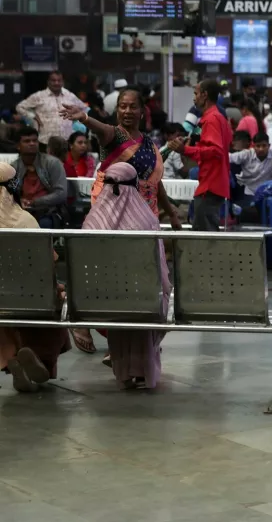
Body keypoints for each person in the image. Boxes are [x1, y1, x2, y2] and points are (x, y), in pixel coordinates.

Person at [82, 163, 172, 390]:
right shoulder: (146, 220)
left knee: (119, 301)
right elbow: (160, 275)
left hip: (102, 300)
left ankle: (123, 371)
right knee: (151, 295)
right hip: (144, 299)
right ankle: (144, 369)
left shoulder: (92, 222)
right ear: (134, 184)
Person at [61, 89, 182, 229]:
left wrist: (171, 214)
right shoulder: (112, 135)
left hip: (144, 216)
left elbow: (155, 183)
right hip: (113, 215)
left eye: (133, 106)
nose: (127, 111)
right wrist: (84, 118)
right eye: (123, 106)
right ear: (117, 110)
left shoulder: (149, 143)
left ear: (142, 112)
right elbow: (101, 128)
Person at [0, 162, 71, 393]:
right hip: (32, 298)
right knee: (53, 296)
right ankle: (40, 358)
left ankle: (11, 356)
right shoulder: (25, 221)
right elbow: (45, 265)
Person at [166, 80, 233, 232]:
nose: (194, 98)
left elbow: (216, 151)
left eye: (196, 94)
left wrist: (185, 150)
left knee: (205, 237)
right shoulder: (218, 117)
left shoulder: (211, 119)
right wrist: (188, 145)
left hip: (210, 184)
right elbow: (225, 141)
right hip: (213, 183)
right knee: (204, 230)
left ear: (205, 95)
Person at [11, 126, 68, 229]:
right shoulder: (14, 168)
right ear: (18, 146)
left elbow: (61, 193)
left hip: (48, 212)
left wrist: (34, 202)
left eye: (34, 140)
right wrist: (20, 201)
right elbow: (10, 193)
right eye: (27, 141)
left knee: (43, 225)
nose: (32, 143)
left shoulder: (52, 163)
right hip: (21, 212)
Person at [16, 71, 87, 150]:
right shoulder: (39, 96)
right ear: (48, 82)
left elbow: (84, 108)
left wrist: (76, 119)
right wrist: (33, 116)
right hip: (45, 141)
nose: (56, 83)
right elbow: (20, 107)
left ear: (62, 82)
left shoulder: (70, 95)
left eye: (59, 80)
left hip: (66, 141)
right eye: (53, 80)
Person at [229, 131, 272, 218]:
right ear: (253, 146)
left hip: (267, 192)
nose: (261, 149)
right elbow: (229, 158)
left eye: (264, 146)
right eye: (258, 146)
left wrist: (269, 190)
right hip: (247, 190)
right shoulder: (247, 154)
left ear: (269, 146)